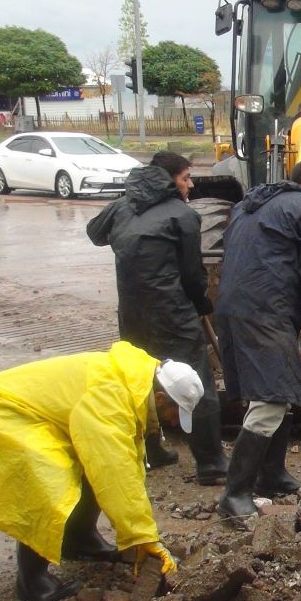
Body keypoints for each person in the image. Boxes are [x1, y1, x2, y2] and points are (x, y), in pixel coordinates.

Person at [0, 343, 189, 601]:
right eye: (175, 413)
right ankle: (31, 582)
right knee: (49, 481)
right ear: (160, 399)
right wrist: (144, 536)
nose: (174, 423)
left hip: (33, 414)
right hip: (2, 410)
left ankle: (78, 540)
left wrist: (137, 533)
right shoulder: (110, 396)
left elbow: (125, 463)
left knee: (89, 464)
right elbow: (115, 471)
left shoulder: (133, 385)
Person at [86, 151, 228, 486]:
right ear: (169, 180)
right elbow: (193, 276)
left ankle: (151, 451)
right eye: (185, 178)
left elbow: (95, 233)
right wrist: (203, 304)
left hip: (133, 314)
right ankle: (211, 464)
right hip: (173, 315)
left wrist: (131, 245)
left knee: (139, 384)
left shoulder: (122, 207)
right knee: (196, 383)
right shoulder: (182, 215)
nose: (190, 185)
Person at [213, 160, 301, 518]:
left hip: (233, 307)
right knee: (271, 397)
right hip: (265, 309)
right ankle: (235, 495)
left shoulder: (245, 207)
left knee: (278, 388)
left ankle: (272, 475)